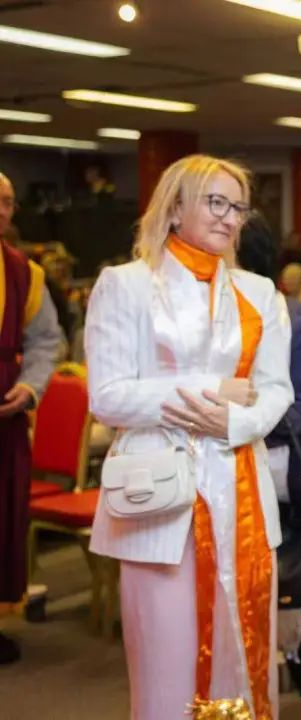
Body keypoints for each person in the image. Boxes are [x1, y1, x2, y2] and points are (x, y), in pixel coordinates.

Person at [85, 154, 293, 718]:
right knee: (166, 668)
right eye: (215, 202)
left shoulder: (259, 293)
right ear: (174, 208)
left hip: (241, 489)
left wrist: (232, 421)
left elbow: (276, 391)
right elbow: (108, 396)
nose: (228, 217)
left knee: (242, 650)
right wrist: (214, 390)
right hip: (157, 497)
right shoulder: (126, 285)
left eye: (238, 208)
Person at [237, 216, 301, 720]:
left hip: (279, 482)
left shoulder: (289, 315)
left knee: (296, 613)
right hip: (218, 477)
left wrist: (238, 415)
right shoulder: (198, 315)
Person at [0, 172, 63, 665]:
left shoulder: (25, 272)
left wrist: (30, 386)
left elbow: (46, 341)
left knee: (3, 519)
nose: (1, 210)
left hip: (6, 416)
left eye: (7, 202)